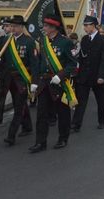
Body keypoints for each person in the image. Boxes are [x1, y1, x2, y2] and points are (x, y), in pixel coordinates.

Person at [29, 14, 77, 153]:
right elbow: (38, 63)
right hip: (44, 82)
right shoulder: (42, 41)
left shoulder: (65, 42)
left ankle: (63, 138)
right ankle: (40, 142)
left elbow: (72, 64)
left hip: (58, 83)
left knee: (62, 113)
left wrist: (60, 76)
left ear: (53, 28)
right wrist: (34, 81)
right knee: (41, 114)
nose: (43, 28)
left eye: (46, 26)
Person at [0, 15, 35, 146]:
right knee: (20, 104)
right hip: (8, 78)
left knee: (18, 107)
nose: (13, 29)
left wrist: (34, 81)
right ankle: (27, 126)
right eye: (11, 26)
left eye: (15, 26)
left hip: (21, 78)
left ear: (22, 27)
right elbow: (3, 60)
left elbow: (34, 63)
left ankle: (11, 136)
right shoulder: (5, 40)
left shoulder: (29, 41)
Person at [72, 15, 104, 131]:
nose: (84, 28)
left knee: (101, 100)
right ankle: (76, 124)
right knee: (80, 101)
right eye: (84, 25)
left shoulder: (103, 40)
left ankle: (102, 121)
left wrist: (102, 76)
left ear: (93, 26)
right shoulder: (84, 39)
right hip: (84, 76)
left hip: (97, 75)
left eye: (86, 25)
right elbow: (82, 58)